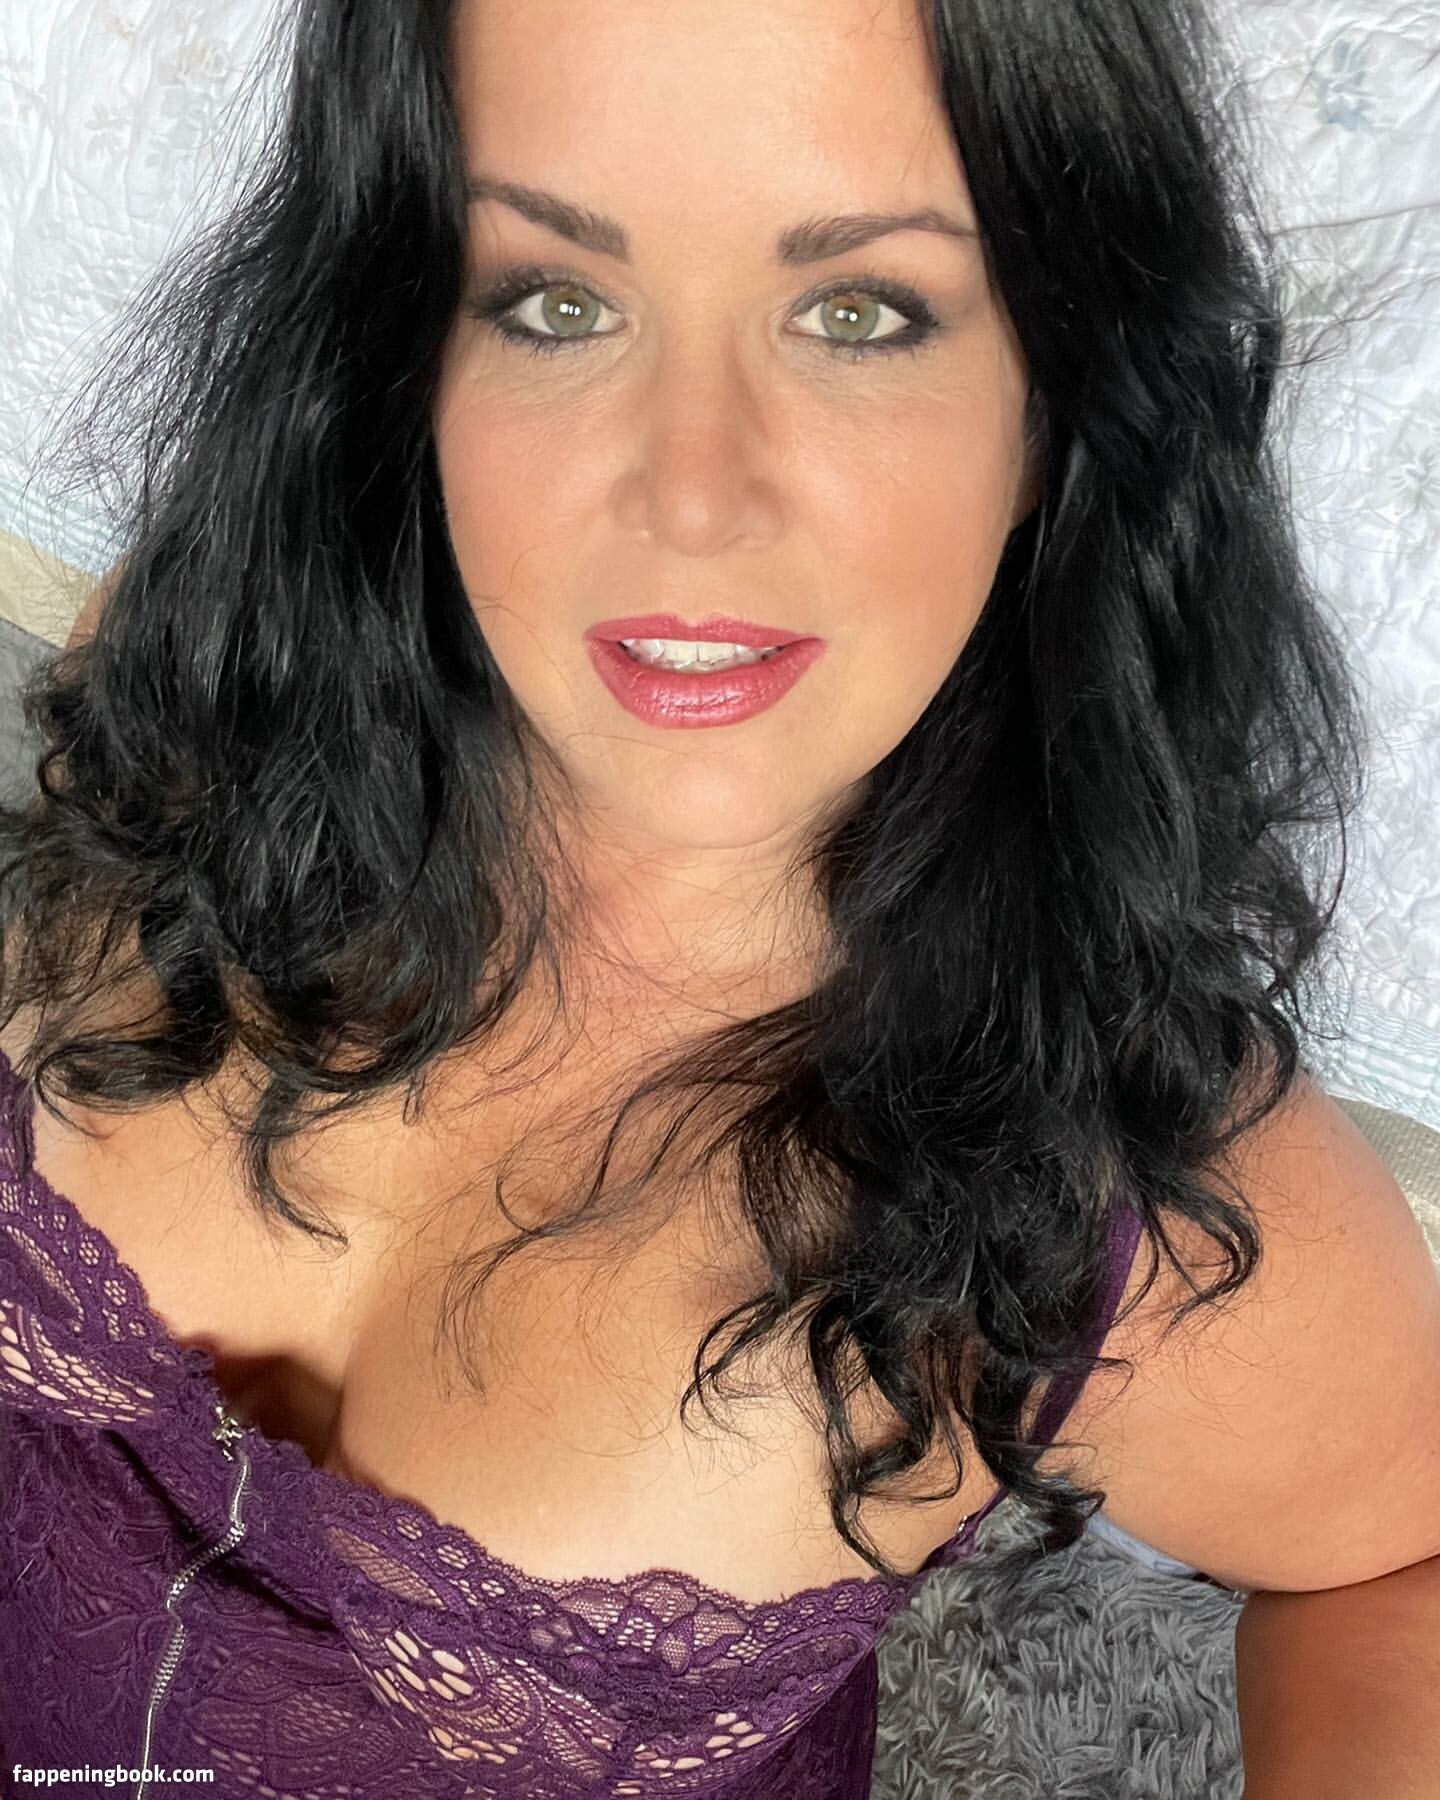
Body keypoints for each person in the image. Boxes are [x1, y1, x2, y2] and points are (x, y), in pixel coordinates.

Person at [0, 0, 1434, 1795]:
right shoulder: (201, 691)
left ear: (1060, 402)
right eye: (555, 299)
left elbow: (1398, 1571)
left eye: (860, 312)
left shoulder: (1129, 1180)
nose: (689, 503)